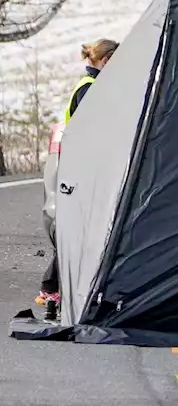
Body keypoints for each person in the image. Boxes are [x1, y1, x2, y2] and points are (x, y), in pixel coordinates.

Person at [37, 38, 119, 317]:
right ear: (107, 61)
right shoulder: (90, 90)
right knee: (80, 232)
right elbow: (91, 133)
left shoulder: (89, 86)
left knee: (82, 232)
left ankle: (55, 289)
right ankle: (52, 288)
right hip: (81, 172)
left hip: (78, 169)